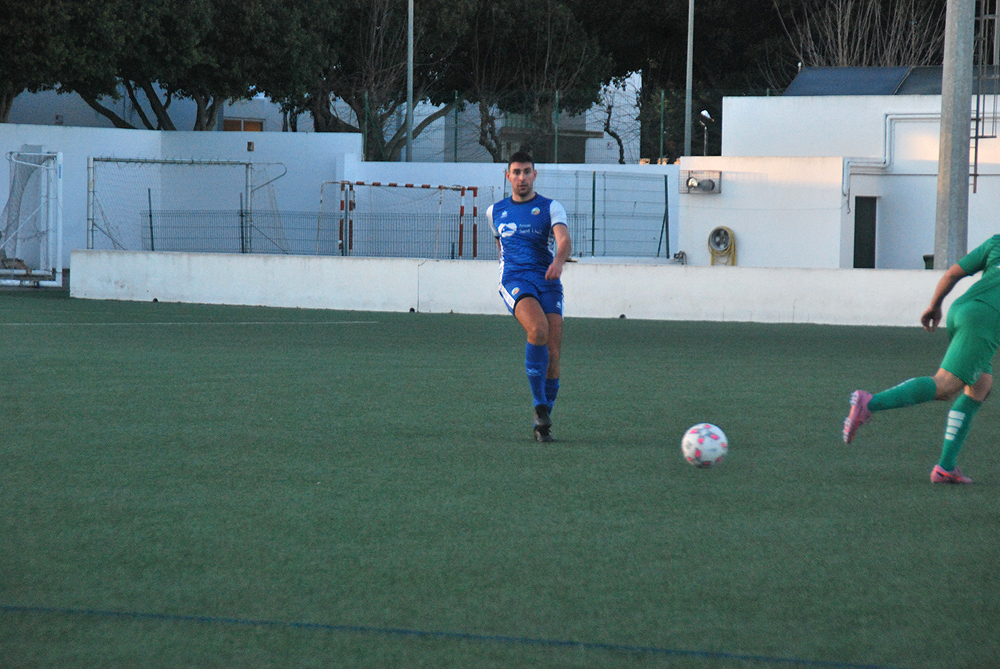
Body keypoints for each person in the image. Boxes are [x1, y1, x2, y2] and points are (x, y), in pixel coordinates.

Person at [843, 234, 1000, 484]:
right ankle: (869, 403)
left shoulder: (997, 242)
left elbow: (952, 274)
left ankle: (946, 467)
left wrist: (934, 306)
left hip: (962, 310)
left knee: (981, 384)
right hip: (985, 322)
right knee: (945, 385)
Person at [487, 151, 572, 442]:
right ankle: (539, 405)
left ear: (534, 175)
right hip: (515, 280)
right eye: (516, 172)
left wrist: (558, 261)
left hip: (547, 279)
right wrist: (508, 270)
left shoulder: (550, 207)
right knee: (537, 330)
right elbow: (501, 247)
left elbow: (563, 240)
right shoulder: (494, 211)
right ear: (508, 176)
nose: (521, 177)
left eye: (526, 172)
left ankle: (543, 423)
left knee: (554, 353)